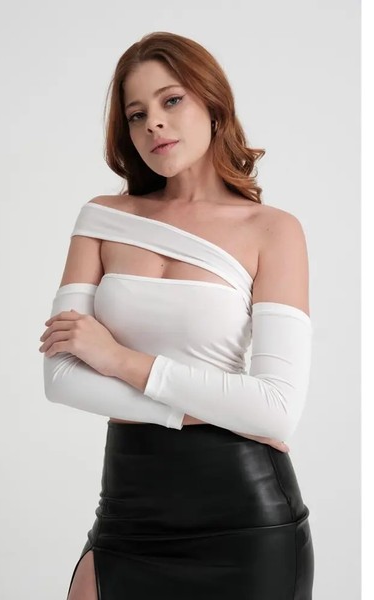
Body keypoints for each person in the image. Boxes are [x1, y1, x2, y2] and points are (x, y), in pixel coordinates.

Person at [39, 31, 314, 600]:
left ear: (212, 103)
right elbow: (61, 378)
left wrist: (116, 359)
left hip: (245, 521)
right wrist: (207, 412)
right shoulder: (102, 218)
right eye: (136, 114)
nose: (154, 124)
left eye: (171, 100)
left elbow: (277, 412)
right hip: (127, 511)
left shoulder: (273, 231)